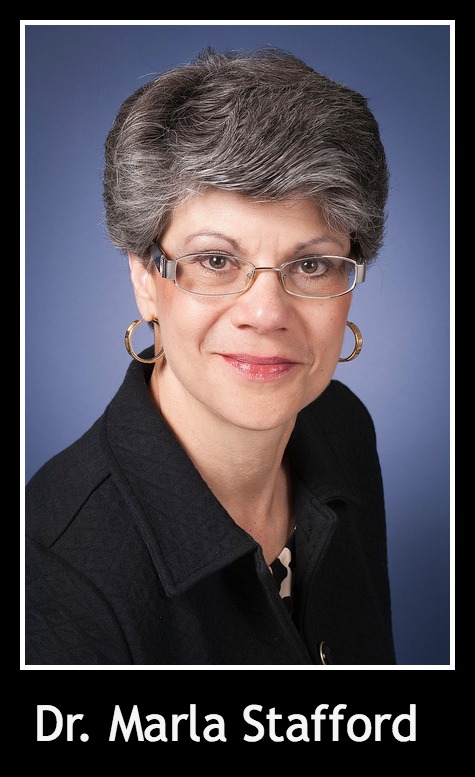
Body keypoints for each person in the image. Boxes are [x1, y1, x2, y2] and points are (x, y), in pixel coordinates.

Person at [25, 45, 396, 665]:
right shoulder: (55, 569)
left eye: (311, 264)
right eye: (216, 260)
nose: (266, 313)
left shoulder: (342, 427)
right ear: (146, 278)